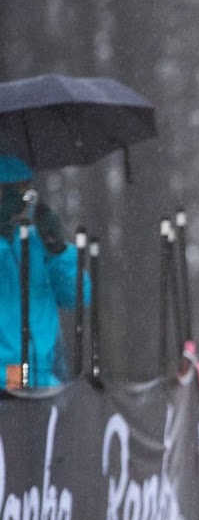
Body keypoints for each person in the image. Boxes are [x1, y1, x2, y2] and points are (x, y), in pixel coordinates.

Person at [1, 154, 88, 387]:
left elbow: (79, 295)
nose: (26, 199)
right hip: (9, 388)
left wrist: (58, 250)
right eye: (18, 189)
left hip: (47, 381)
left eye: (28, 188)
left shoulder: (35, 242)